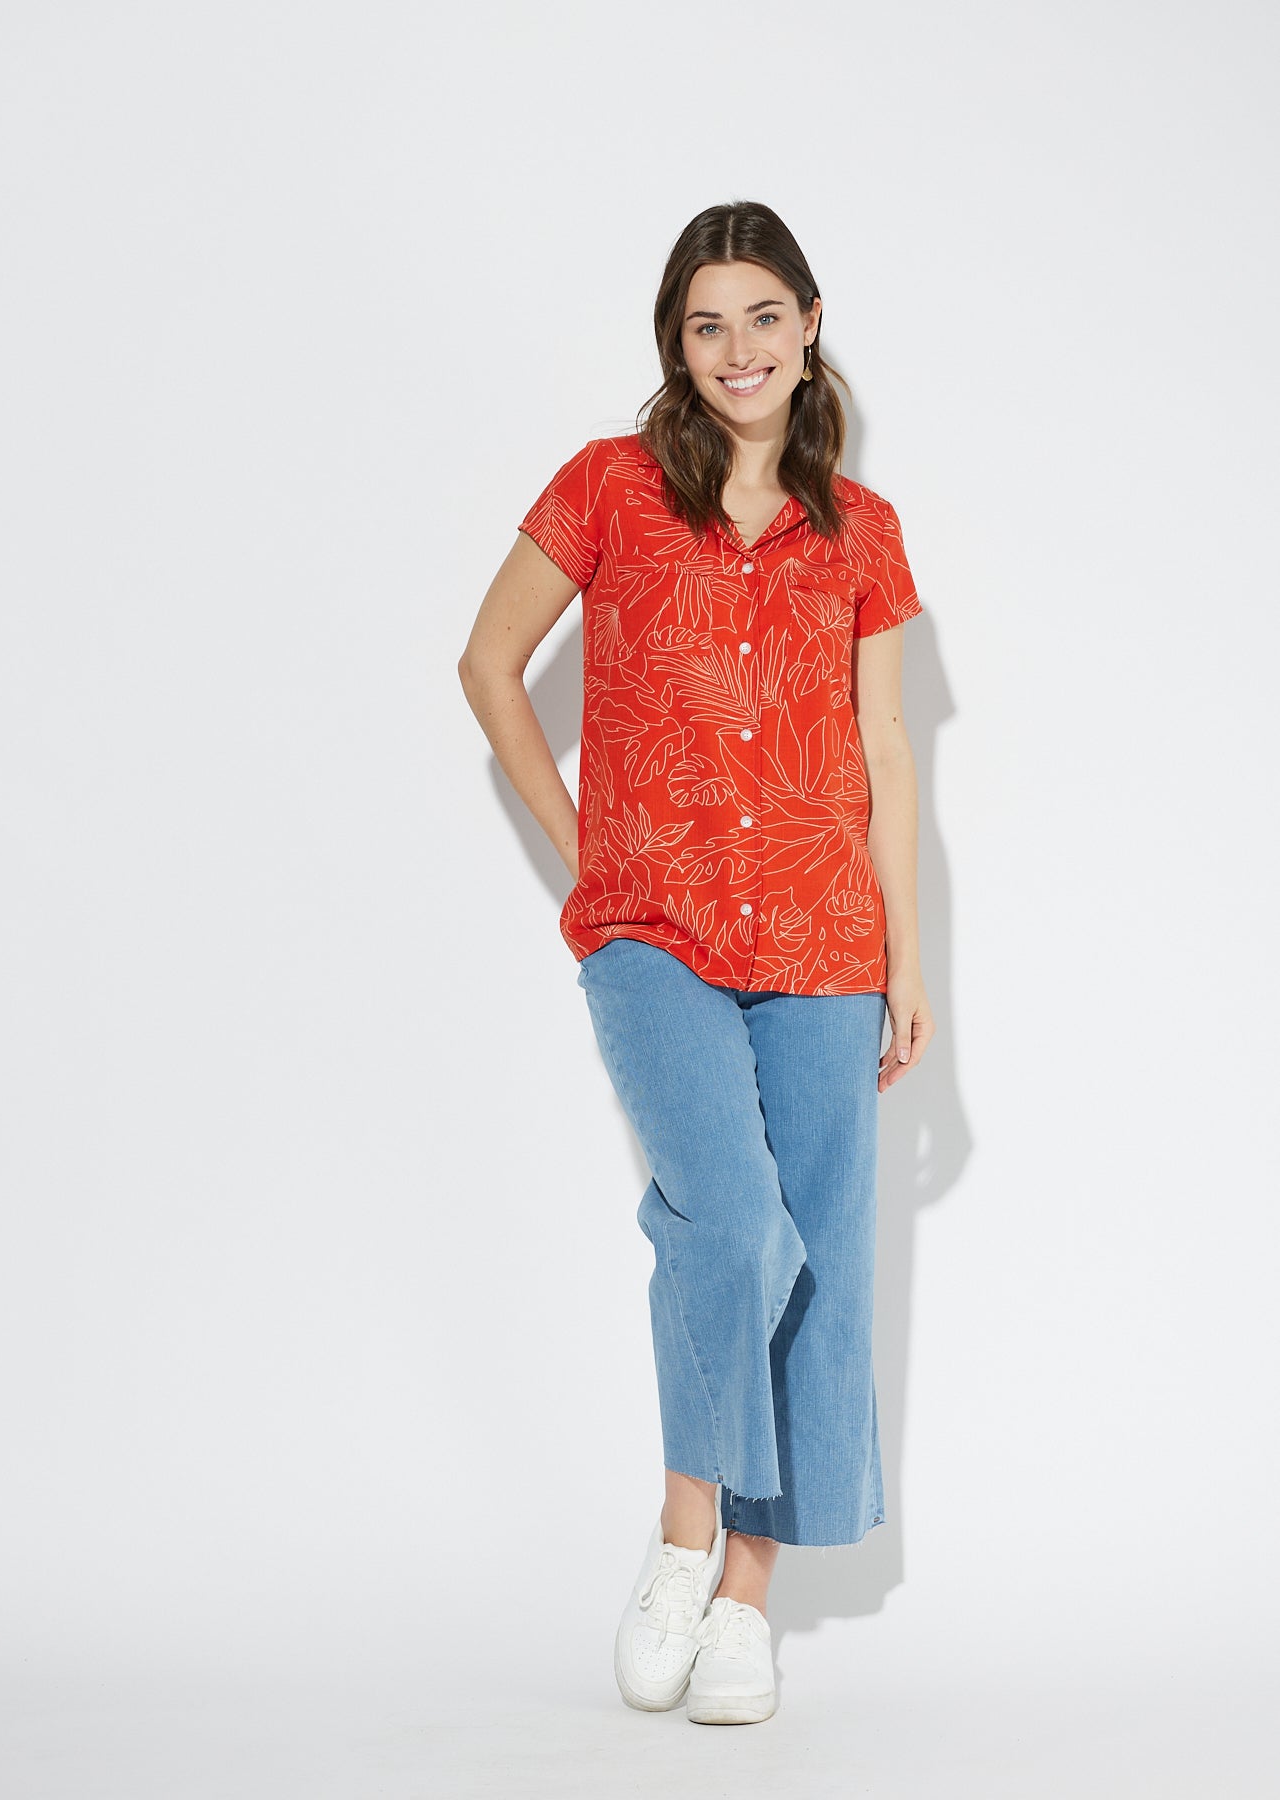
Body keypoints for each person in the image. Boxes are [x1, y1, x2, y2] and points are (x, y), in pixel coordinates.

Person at [458, 199, 935, 1726]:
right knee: (728, 1229)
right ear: (676, 342)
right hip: (652, 929)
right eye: (704, 323)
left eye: (761, 317)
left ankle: (743, 1598)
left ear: (808, 325)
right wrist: (583, 852)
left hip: (820, 933)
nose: (736, 349)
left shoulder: (860, 532)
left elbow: (883, 748)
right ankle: (682, 1537)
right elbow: (487, 664)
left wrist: (907, 955)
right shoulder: (607, 487)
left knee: (821, 1253)